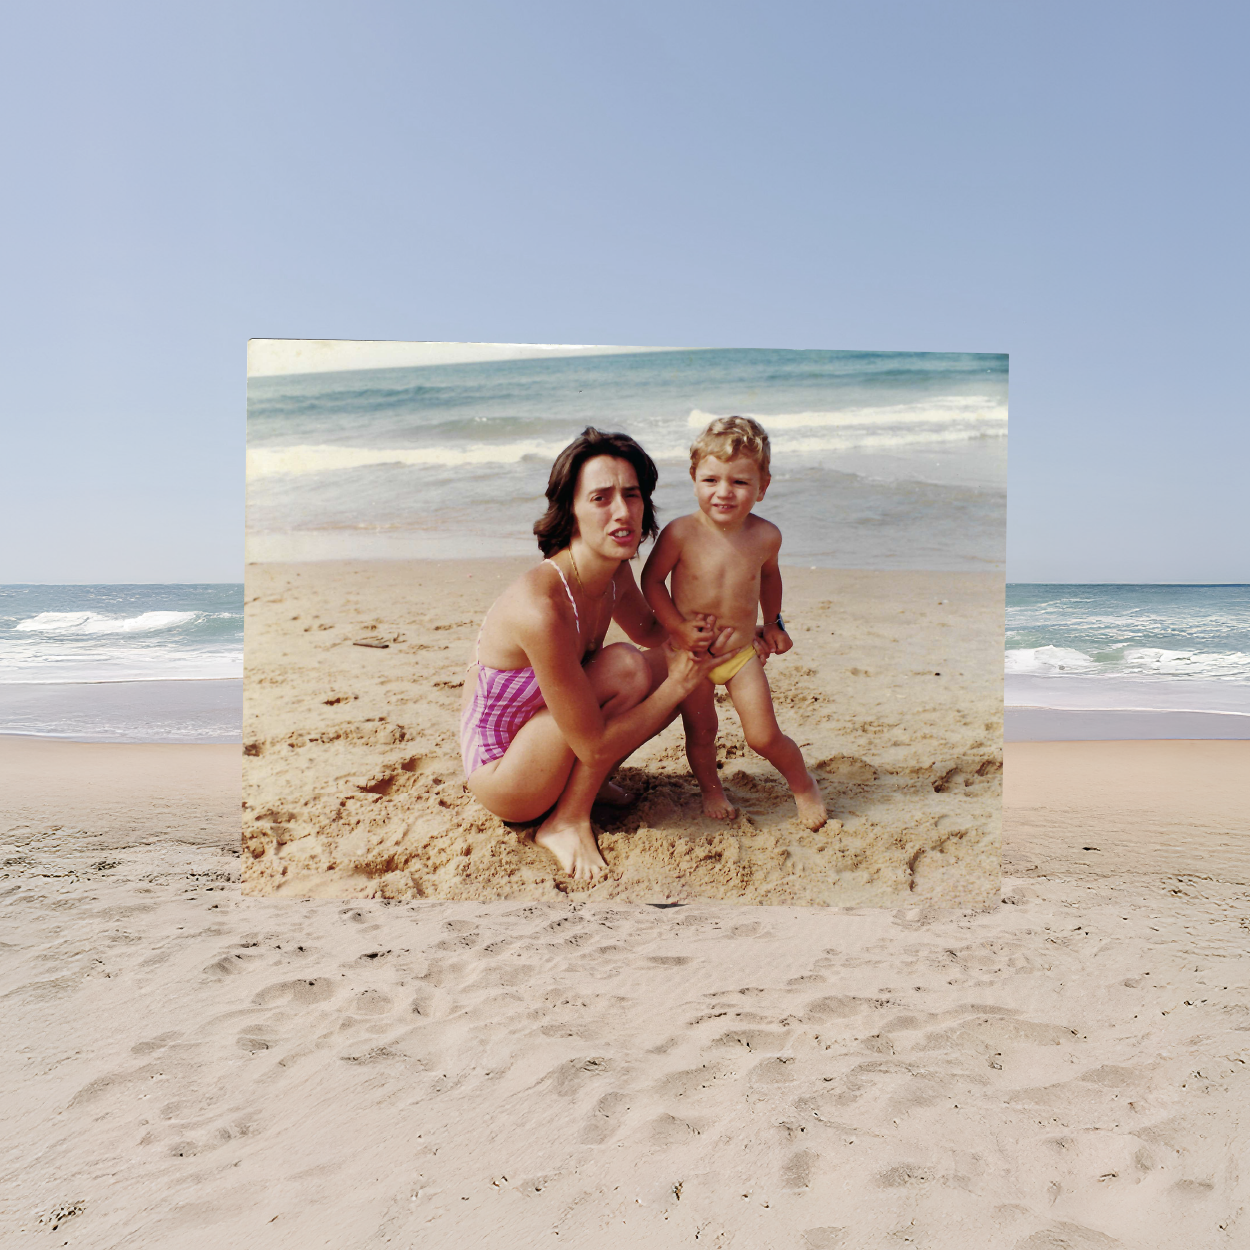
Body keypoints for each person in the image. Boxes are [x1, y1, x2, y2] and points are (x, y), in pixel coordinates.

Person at [461, 427, 734, 882]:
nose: (622, 511)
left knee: (674, 657)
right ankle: (565, 819)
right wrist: (677, 687)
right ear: (571, 510)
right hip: (507, 778)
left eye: (632, 494)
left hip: (550, 744)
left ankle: (580, 788)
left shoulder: (612, 572)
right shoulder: (541, 607)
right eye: (601, 498)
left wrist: (734, 632)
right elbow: (592, 744)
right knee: (629, 668)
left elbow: (654, 631)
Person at [641, 415, 828, 830]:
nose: (724, 492)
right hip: (692, 655)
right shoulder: (679, 533)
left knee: (763, 736)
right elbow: (651, 581)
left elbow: (769, 577)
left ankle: (803, 784)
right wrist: (678, 628)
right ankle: (712, 790)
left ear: (762, 487)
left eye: (740, 482)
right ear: (694, 478)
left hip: (741, 654)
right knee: (701, 731)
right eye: (711, 480)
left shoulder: (766, 536)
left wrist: (774, 623)